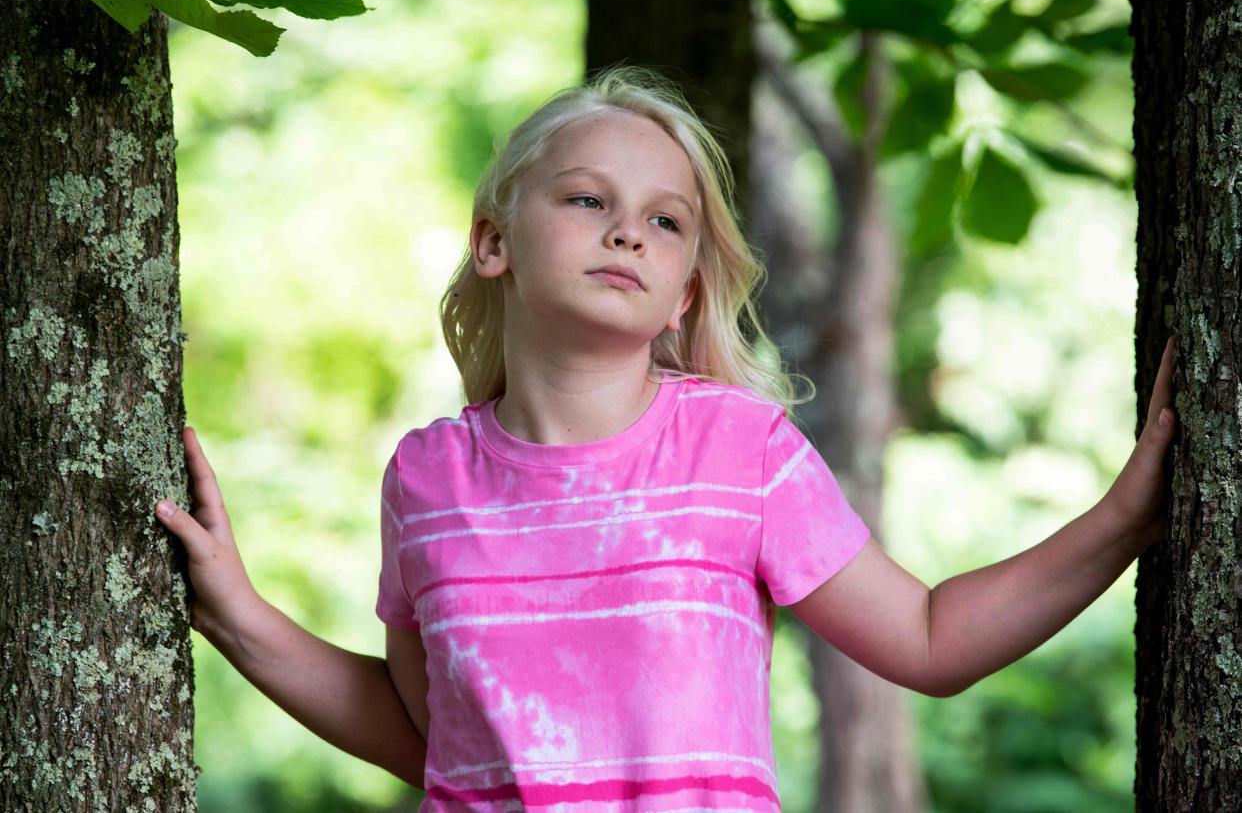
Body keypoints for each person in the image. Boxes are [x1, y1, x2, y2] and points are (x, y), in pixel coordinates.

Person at [155, 65, 1179, 812]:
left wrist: (1128, 517)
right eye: (589, 199)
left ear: (687, 289)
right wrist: (238, 615)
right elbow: (432, 743)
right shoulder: (428, 475)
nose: (627, 232)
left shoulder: (742, 453)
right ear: (494, 240)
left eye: (665, 221)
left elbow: (930, 640)